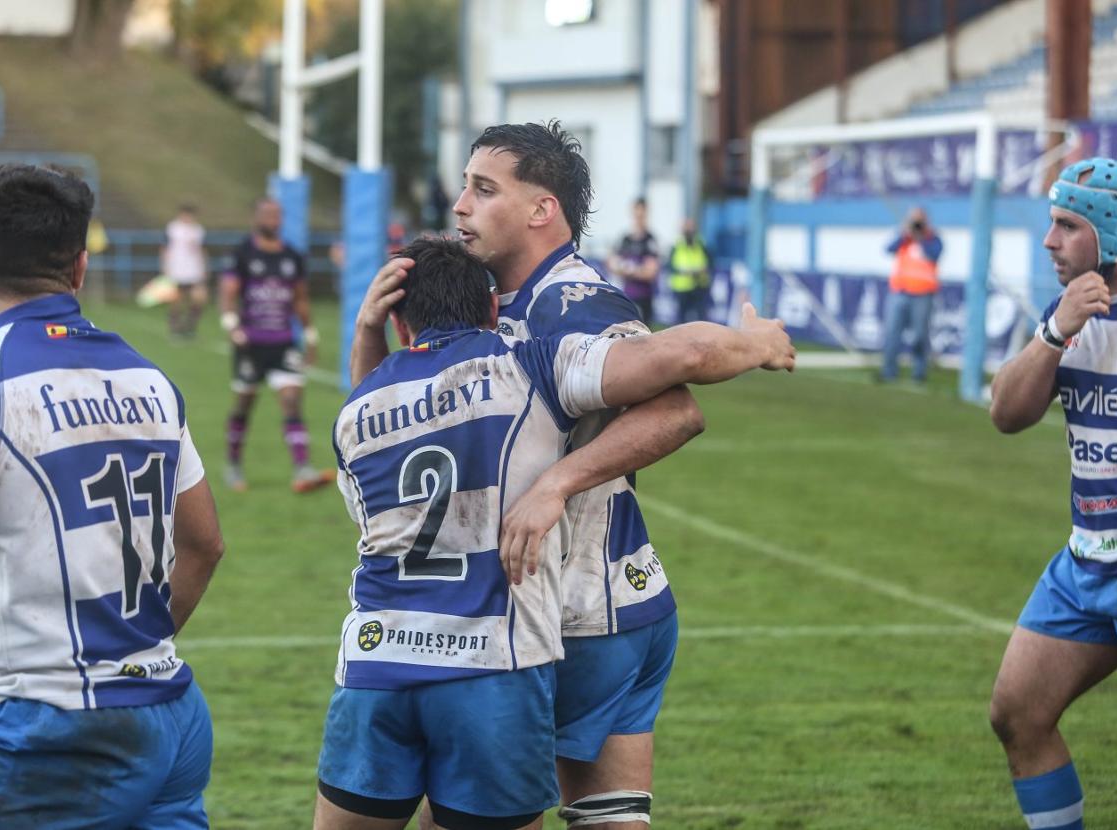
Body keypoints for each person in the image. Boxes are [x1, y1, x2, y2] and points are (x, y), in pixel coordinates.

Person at [317, 236, 794, 830]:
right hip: (491, 667)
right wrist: (758, 344)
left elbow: (376, 415)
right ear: (495, 313)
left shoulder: (354, 416)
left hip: (375, 668)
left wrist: (367, 330)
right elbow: (688, 357)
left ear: (397, 319)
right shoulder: (532, 365)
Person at [351, 121, 704, 830]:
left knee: (470, 812)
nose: (460, 206)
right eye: (464, 187)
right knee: (603, 819)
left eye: (483, 189)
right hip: (604, 600)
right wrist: (368, 337)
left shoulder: (572, 300)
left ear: (543, 210)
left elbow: (675, 410)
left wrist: (555, 485)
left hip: (573, 611)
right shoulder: (498, 303)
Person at [0, 164, 225, 829]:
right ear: (80, 269)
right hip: (170, 715)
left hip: (52, 724)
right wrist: (128, 660)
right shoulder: (150, 381)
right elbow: (204, 544)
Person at [988, 157, 1117, 830]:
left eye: (1066, 225)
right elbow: (1006, 414)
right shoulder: (1067, 313)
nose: (1049, 241)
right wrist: (1053, 333)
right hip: (1084, 561)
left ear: (1112, 231)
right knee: (1018, 715)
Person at [220, 197, 333, 494]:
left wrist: (310, 336)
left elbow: (301, 299)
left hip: (283, 343)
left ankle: (302, 468)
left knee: (293, 400)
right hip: (250, 345)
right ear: (256, 218)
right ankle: (233, 465)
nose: (274, 220)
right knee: (244, 403)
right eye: (268, 215)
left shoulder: (292, 257)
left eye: (277, 215)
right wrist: (232, 326)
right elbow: (229, 293)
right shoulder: (243, 253)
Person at [880, 206, 942, 383]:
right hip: (900, 291)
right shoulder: (904, 239)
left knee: (920, 336)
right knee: (892, 333)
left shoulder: (933, 239)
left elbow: (934, 254)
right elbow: (888, 249)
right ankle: (889, 371)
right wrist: (905, 233)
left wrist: (922, 237)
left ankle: (919, 373)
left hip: (923, 294)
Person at [607, 197, 660, 325]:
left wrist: (628, 269)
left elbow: (650, 273)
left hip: (644, 298)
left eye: (641, 214)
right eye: (636, 214)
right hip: (626, 297)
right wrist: (635, 269)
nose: (638, 218)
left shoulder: (650, 240)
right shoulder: (625, 239)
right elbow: (611, 263)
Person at [161, 203, 208, 338]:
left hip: (194, 271)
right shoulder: (173, 228)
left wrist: (204, 267)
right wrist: (165, 266)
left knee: (199, 298)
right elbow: (164, 248)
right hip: (177, 270)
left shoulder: (198, 230)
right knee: (176, 301)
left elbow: (202, 250)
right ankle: (175, 328)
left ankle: (190, 326)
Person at [667, 217, 712, 324]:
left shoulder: (701, 243)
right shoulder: (676, 245)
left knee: (701, 320)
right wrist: (683, 271)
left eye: (691, 227)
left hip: (699, 286)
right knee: (681, 322)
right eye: (687, 227)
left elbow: (710, 262)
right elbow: (669, 266)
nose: (689, 230)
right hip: (682, 288)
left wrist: (704, 269)